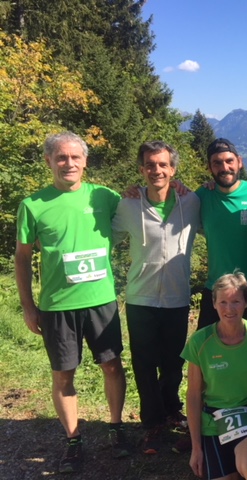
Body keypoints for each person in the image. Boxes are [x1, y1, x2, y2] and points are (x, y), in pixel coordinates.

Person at [15, 132, 130, 474]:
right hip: (57, 306)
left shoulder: (104, 196)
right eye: (61, 157)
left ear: (85, 161)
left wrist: (175, 189)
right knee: (63, 374)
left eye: (75, 157)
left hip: (101, 301)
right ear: (48, 161)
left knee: (112, 366)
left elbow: (142, 207)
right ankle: (73, 438)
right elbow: (22, 257)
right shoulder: (33, 205)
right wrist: (28, 305)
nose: (69, 163)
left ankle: (116, 427)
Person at [111, 141, 200, 453]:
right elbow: (105, 232)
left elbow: (219, 219)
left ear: (173, 170)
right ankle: (152, 423)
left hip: (177, 297)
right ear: (142, 169)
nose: (156, 170)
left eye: (163, 165)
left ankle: (171, 409)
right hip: (141, 298)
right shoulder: (128, 205)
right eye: (150, 165)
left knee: (174, 363)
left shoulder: (190, 202)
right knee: (145, 365)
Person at [182, 272, 247, 480]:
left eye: (236, 301)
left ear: (246, 302)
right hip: (213, 422)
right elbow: (193, 395)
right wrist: (196, 447)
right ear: (214, 304)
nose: (229, 309)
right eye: (223, 302)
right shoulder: (200, 341)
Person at [196, 138, 247, 329]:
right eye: (217, 163)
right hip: (217, 289)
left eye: (229, 161)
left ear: (239, 162)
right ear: (209, 167)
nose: (224, 167)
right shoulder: (202, 196)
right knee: (205, 343)